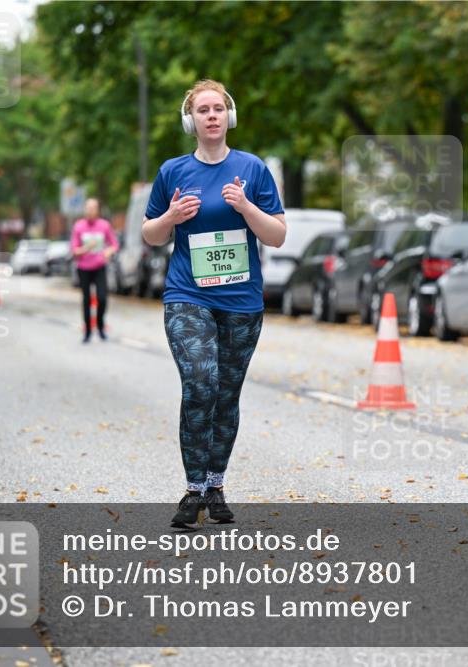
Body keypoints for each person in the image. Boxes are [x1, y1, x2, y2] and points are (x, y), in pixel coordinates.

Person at [141, 79, 286, 528]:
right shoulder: (173, 172)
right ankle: (192, 488)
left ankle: (215, 484)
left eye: (218, 108)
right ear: (191, 121)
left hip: (241, 301)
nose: (211, 116)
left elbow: (277, 235)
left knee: (226, 395)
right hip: (188, 295)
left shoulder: (253, 169)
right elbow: (150, 235)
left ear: (229, 116)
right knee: (201, 380)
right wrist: (170, 217)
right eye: (202, 109)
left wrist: (245, 207)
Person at [70, 198, 118, 343]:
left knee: (102, 298)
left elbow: (114, 244)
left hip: (99, 267)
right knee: (86, 300)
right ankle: (88, 331)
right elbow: (74, 251)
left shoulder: (104, 226)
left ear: (98, 210)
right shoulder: (78, 226)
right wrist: (86, 248)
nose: (91, 211)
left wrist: (109, 251)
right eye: (88, 208)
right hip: (83, 268)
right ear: (85, 210)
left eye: (94, 208)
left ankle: (100, 325)